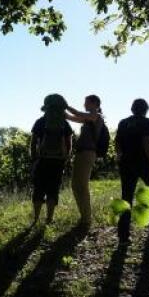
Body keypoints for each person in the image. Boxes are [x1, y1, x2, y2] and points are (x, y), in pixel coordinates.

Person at [115, 99, 149, 243]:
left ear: (132, 109)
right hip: (143, 162)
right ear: (146, 109)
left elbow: (117, 142)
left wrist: (120, 155)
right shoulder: (147, 122)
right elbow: (147, 142)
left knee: (126, 197)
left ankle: (123, 234)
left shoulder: (123, 122)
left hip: (126, 163)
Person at [30, 94, 74, 225]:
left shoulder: (40, 121)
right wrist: (65, 158)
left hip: (42, 159)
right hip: (57, 161)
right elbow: (69, 143)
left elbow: (33, 142)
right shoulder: (65, 123)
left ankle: (36, 219)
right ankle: (49, 219)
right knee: (53, 189)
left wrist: (33, 159)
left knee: (38, 189)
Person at [66, 95, 104, 227]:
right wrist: (59, 110)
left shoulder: (96, 116)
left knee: (81, 185)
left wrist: (65, 105)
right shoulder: (88, 119)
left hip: (88, 152)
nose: (84, 105)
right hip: (82, 152)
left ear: (95, 104)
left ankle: (86, 219)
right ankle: (84, 216)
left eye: (86, 102)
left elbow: (76, 113)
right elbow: (71, 117)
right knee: (76, 185)